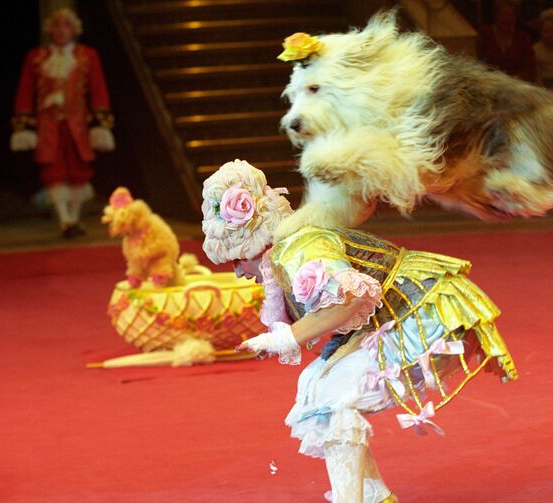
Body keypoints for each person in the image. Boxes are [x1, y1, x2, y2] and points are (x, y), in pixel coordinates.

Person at [201, 160, 517, 503]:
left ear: (254, 248)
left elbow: (348, 299)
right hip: (398, 314)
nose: (239, 273)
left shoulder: (299, 248)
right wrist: (281, 338)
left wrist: (283, 338)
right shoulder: (288, 252)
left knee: (334, 401)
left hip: (422, 311)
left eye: (237, 260)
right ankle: (374, 497)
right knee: (317, 386)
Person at [10, 8, 115, 238]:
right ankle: (65, 220)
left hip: (78, 125)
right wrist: (25, 124)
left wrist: (100, 123)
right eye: (56, 26)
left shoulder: (87, 56)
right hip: (49, 125)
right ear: (50, 30)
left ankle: (74, 218)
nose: (60, 31)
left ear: (74, 29)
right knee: (54, 171)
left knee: (79, 170)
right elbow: (25, 91)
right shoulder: (36, 57)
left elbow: (98, 90)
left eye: (65, 26)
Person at [478, 0, 536, 81]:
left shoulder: (523, 38)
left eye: (511, 15)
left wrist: (513, 80)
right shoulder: (485, 35)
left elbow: (530, 68)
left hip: (516, 86)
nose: (507, 19)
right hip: (489, 84)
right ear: (496, 15)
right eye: (504, 15)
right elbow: (477, 63)